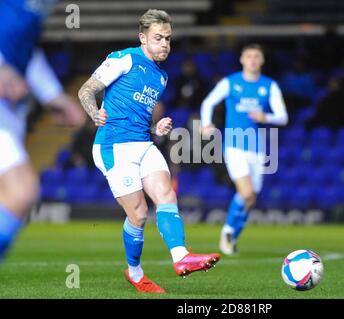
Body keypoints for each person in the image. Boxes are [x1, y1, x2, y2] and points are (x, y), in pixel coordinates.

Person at [78, 9, 220, 294]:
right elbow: (86, 90)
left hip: (144, 143)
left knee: (167, 194)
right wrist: (94, 113)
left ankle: (181, 258)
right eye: (158, 38)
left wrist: (157, 128)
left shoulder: (161, 77)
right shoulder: (124, 58)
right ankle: (135, 272)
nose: (165, 44)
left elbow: (140, 114)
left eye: (168, 38)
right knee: (140, 215)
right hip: (114, 146)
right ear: (143, 38)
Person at [0, 0, 85, 261]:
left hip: (10, 111)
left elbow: (26, 52)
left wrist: (54, 96)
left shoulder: (34, 10)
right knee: (20, 190)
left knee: (18, 192)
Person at [200, 43, 288, 255]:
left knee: (251, 198)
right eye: (249, 56)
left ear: (262, 60)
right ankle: (228, 231)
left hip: (257, 148)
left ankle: (232, 236)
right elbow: (208, 102)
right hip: (234, 145)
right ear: (242, 59)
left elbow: (283, 117)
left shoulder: (269, 86)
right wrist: (205, 124)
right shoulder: (231, 82)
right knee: (246, 192)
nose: (253, 60)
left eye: (257, 56)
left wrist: (265, 117)